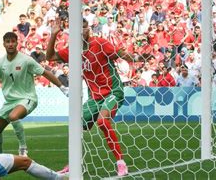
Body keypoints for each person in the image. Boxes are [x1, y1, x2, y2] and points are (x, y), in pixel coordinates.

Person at [46, 19, 152, 176]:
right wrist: (53, 35)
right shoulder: (73, 50)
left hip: (113, 92)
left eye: (84, 27)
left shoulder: (100, 43)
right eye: (78, 28)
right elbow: (50, 57)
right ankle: (73, 164)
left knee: (102, 121)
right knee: (74, 126)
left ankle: (121, 163)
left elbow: (121, 54)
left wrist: (138, 57)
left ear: (88, 29)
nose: (82, 30)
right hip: (94, 97)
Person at [0, 32, 68, 157]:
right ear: (3, 44)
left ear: (17, 43)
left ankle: (23, 148)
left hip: (27, 98)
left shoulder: (26, 60)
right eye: (7, 41)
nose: (10, 44)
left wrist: (62, 87)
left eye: (13, 41)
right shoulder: (0, 63)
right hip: (10, 101)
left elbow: (45, 73)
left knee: (13, 116)